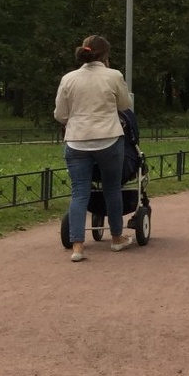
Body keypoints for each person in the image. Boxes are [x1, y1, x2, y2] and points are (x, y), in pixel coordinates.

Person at [54, 34, 132, 261]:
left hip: (77, 140)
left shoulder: (68, 79)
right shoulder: (113, 76)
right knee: (112, 189)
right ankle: (117, 238)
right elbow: (125, 105)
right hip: (108, 139)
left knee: (79, 192)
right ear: (106, 55)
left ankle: (77, 246)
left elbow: (60, 114)